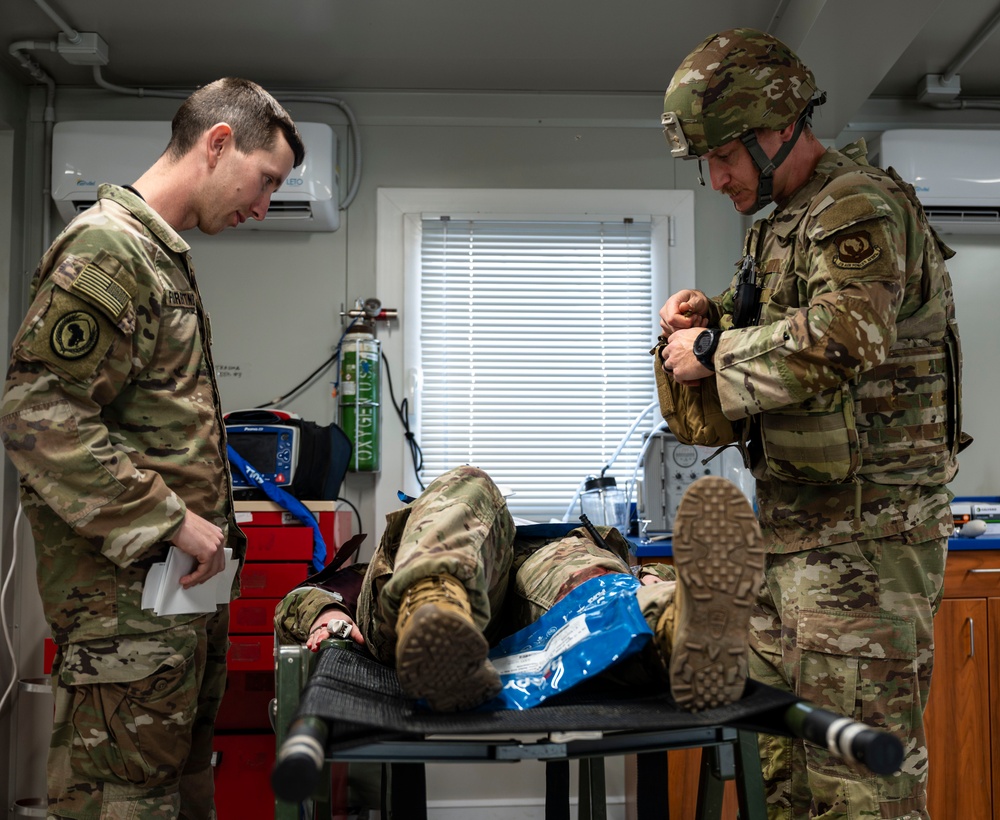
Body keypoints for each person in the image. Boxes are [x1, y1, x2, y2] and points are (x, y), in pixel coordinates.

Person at [656, 28, 968, 820]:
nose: (716, 178)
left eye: (724, 155)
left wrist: (714, 351)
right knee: (783, 775)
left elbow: (844, 337)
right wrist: (708, 312)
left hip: (865, 544)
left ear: (776, 127)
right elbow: (779, 319)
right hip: (794, 536)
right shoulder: (783, 221)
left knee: (859, 791)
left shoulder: (856, 206)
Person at [1, 78, 305, 819]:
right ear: (219, 143)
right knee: (125, 804)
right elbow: (36, 412)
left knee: (175, 797)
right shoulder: (109, 247)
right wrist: (167, 519)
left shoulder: (161, 256)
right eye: (266, 180)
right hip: (125, 618)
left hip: (171, 612)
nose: (264, 207)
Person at [275, 464, 764, 714]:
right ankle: (435, 614)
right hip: (424, 607)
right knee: (470, 483)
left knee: (586, 569)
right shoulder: (416, 542)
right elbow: (296, 600)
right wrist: (327, 616)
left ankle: (670, 627)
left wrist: (658, 578)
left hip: (532, 619)